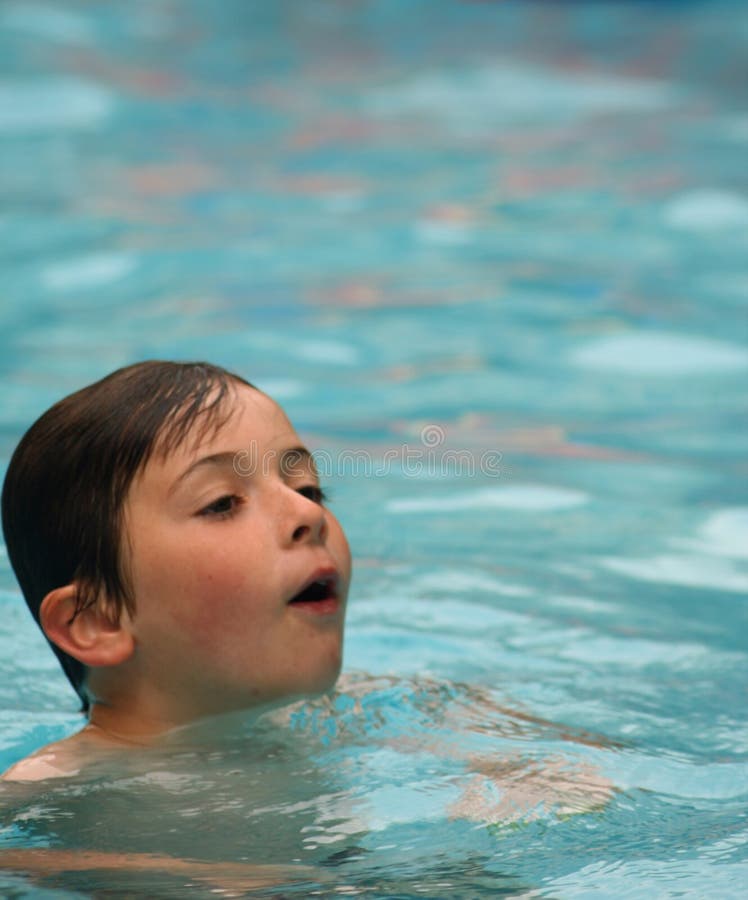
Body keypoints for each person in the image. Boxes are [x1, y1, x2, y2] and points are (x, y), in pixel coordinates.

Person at [1, 360, 352, 782]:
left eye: (307, 488)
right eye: (221, 503)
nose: (308, 512)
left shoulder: (359, 710)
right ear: (97, 620)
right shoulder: (44, 797)